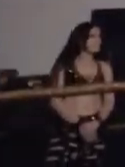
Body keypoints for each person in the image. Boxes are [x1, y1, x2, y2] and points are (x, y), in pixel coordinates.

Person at [45, 22, 114, 167]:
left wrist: (98, 120)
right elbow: (55, 100)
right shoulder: (66, 67)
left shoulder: (104, 68)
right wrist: (74, 120)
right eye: (92, 36)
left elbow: (109, 99)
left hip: (94, 126)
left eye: (99, 36)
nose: (98, 40)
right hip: (68, 128)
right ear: (81, 39)